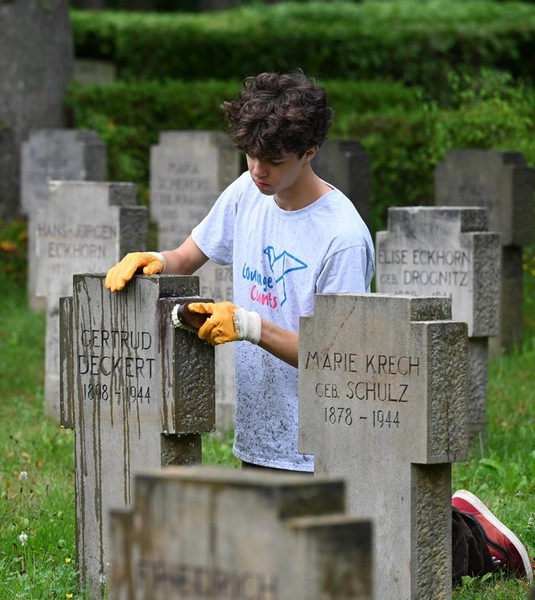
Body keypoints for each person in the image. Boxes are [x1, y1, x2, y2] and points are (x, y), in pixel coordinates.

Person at [104, 69, 534, 586]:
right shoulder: (246, 192)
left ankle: (479, 540)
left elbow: (338, 358)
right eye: (251, 155)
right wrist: (156, 261)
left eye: (273, 160)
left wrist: (250, 326)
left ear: (309, 151)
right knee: (270, 570)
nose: (258, 170)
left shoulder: (342, 237)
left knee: (360, 563)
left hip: (323, 435)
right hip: (261, 430)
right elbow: (186, 255)